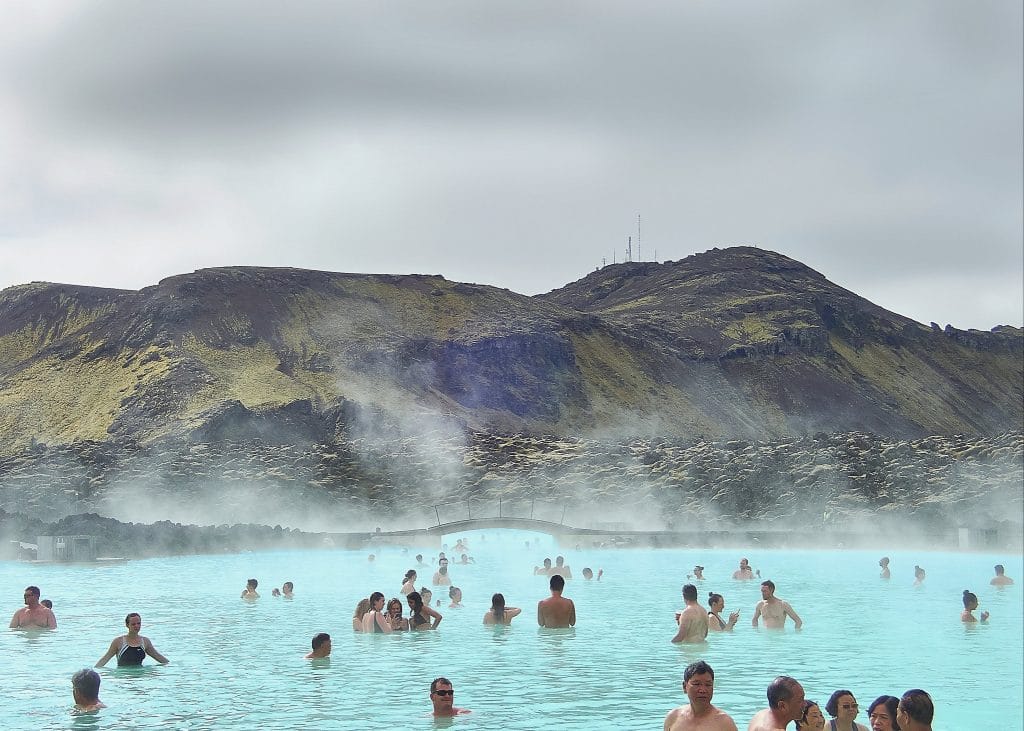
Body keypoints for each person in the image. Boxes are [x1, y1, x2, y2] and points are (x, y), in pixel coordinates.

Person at [663, 660, 738, 731]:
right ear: (684, 687)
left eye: (708, 685)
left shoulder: (725, 723)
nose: (702, 690)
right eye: (696, 684)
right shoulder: (673, 717)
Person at [95, 612, 170, 667]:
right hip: (124, 676)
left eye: (138, 623)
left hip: (141, 675)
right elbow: (105, 659)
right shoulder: (118, 642)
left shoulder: (145, 641)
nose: (136, 626)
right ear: (127, 625)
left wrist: (172, 667)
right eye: (133, 624)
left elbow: (158, 657)